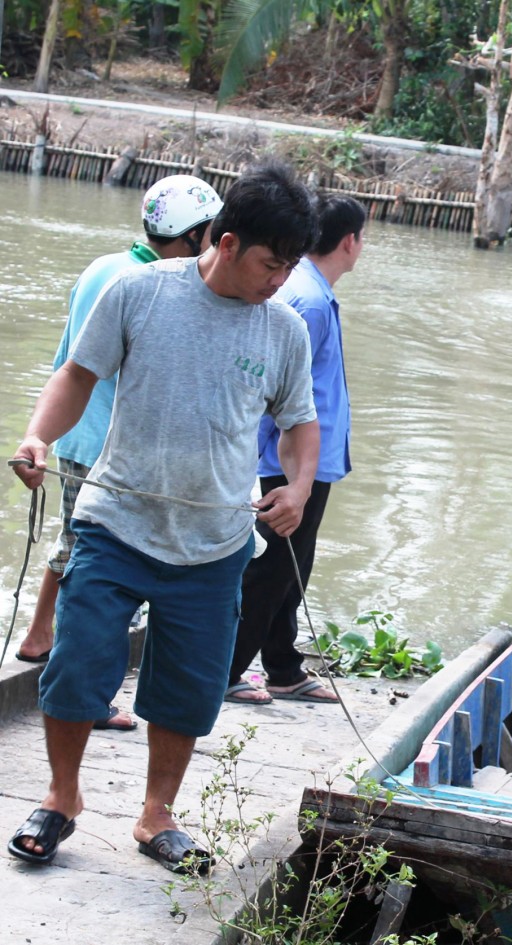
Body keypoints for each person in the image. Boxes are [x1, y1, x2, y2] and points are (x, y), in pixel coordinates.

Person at [6, 161, 320, 874]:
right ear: (228, 242)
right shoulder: (140, 292)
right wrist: (37, 437)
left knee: (187, 687)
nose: (280, 280)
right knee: (77, 664)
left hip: (213, 544)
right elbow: (76, 375)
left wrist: (298, 486)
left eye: (291, 267)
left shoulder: (285, 329)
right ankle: (61, 798)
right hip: (116, 521)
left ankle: (156, 816)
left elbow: (301, 422)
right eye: (272, 263)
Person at [15, 174, 223, 734]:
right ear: (196, 234)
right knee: (105, 562)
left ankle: (38, 636)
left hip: (75, 437)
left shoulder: (102, 267)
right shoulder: (152, 285)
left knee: (74, 540)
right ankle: (82, 686)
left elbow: (69, 361)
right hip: (115, 448)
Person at [225, 195, 366, 705]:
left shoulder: (312, 291)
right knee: (271, 568)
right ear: (350, 241)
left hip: (310, 460)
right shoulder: (305, 299)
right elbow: (274, 387)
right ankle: (228, 668)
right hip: (285, 462)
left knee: (293, 567)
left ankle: (283, 667)